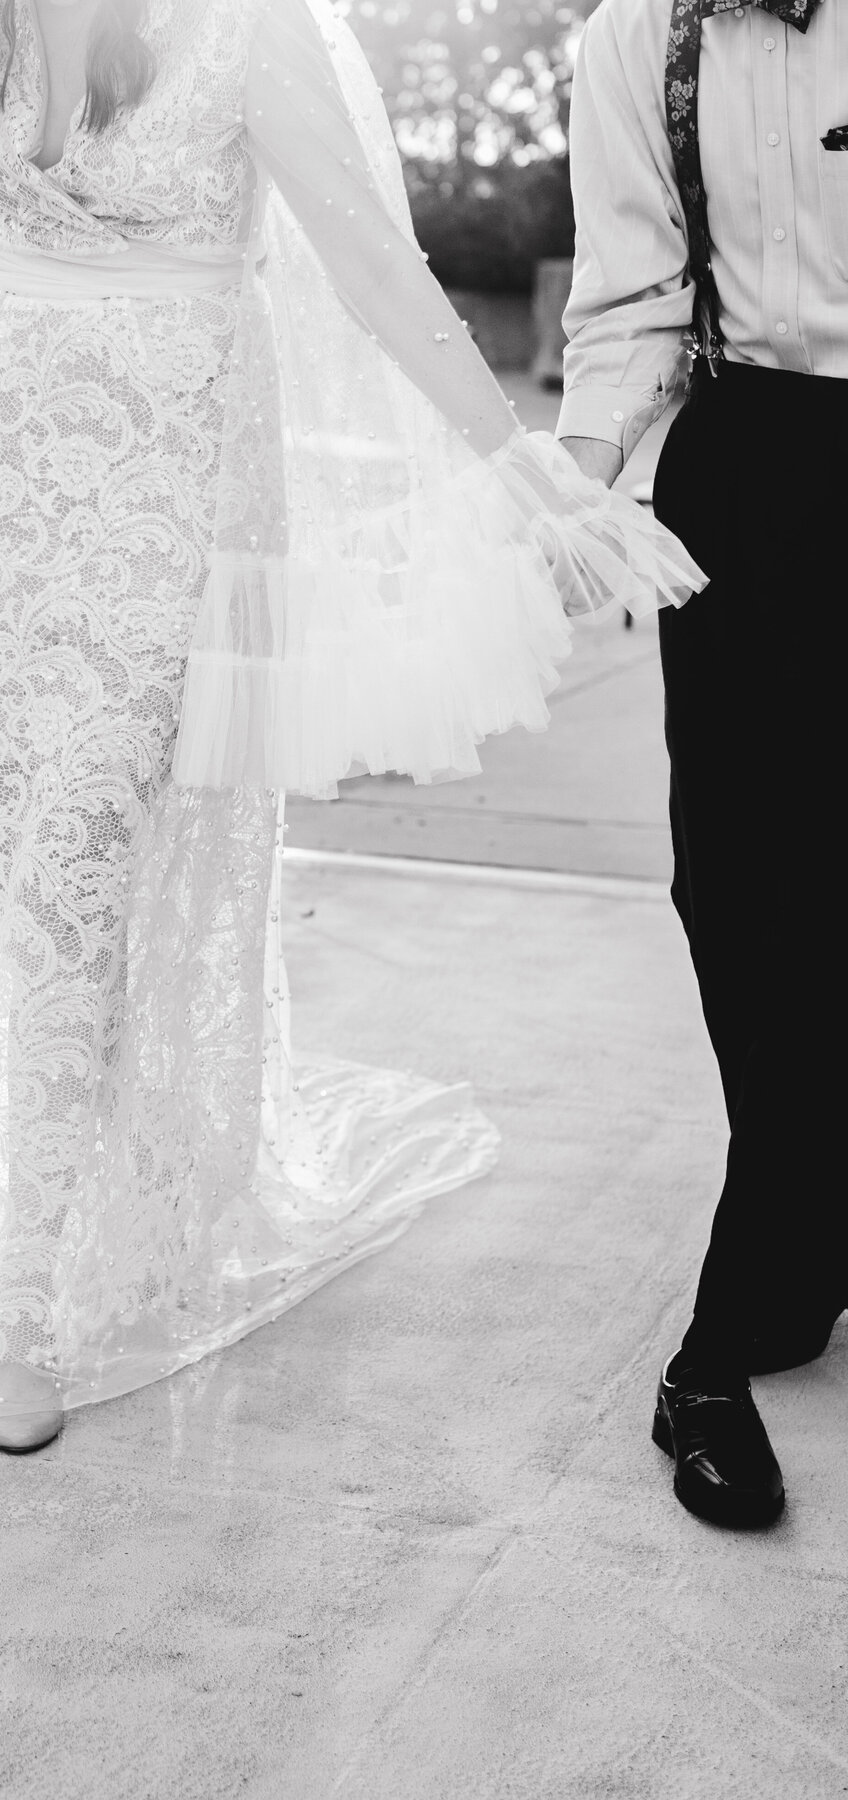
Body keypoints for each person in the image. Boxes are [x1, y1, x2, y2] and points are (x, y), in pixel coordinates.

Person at [0, 0, 700, 1454]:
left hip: (177, 508)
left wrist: (528, 467)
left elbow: (374, 262)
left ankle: (21, 1302)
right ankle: (115, 1163)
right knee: (9, 864)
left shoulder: (248, 27)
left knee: (80, 855)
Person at [561, 0, 846, 1527]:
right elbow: (632, 302)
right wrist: (574, 491)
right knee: (740, 884)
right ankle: (784, 1260)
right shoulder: (635, 39)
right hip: (752, 470)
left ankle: (728, 1330)